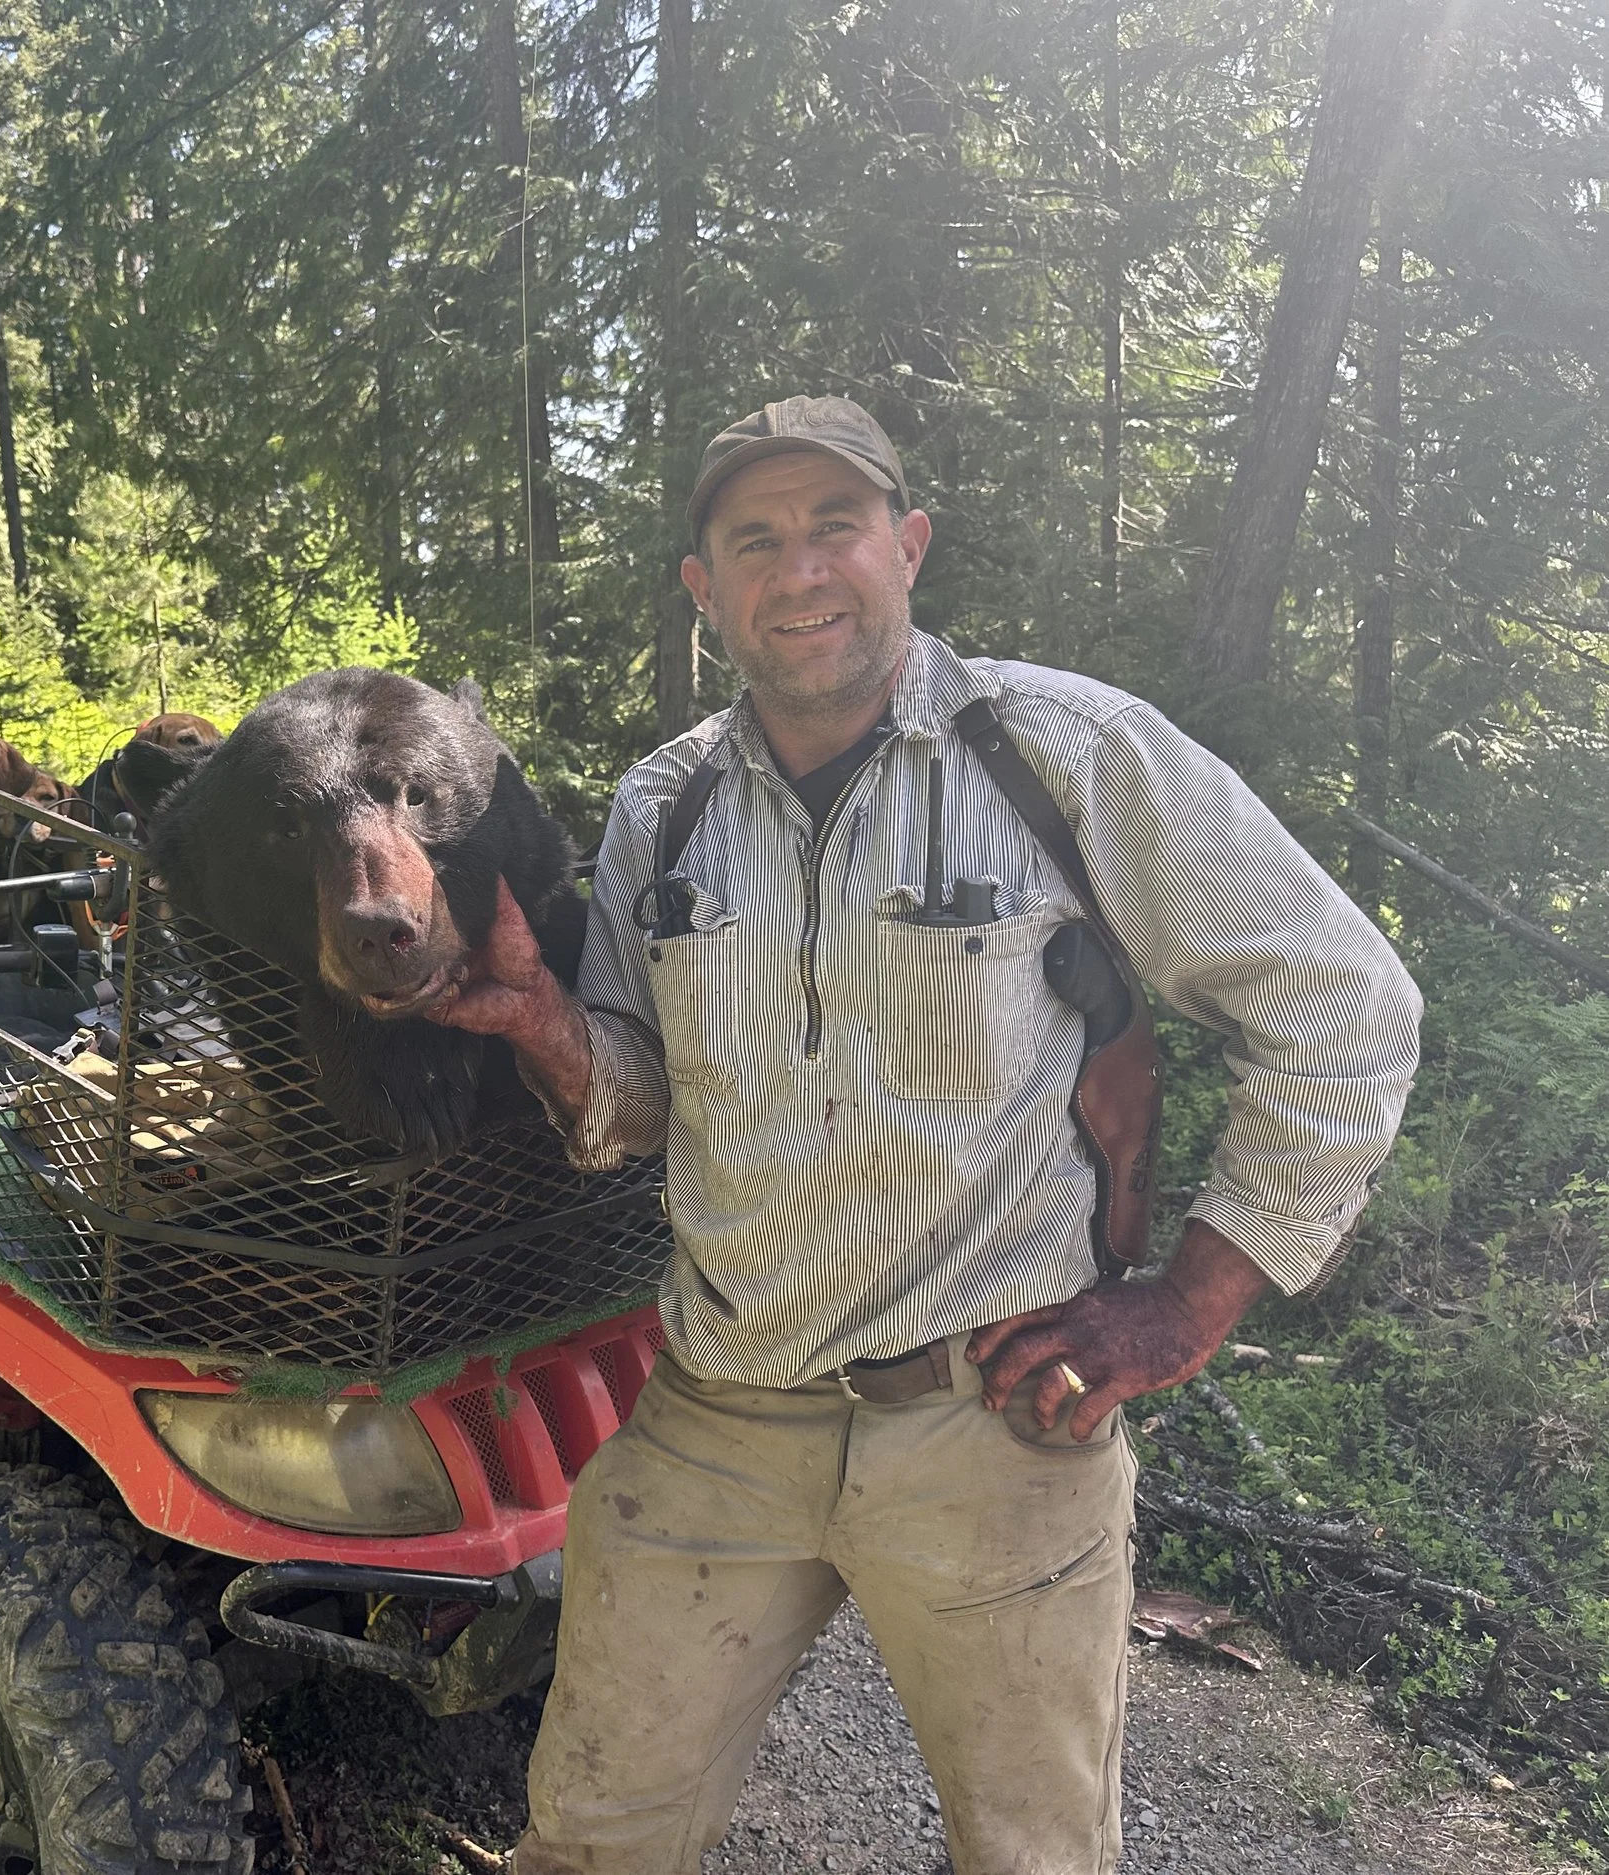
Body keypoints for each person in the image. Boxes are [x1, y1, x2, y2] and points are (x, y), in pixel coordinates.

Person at [425, 396, 1421, 1874]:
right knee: (592, 1836)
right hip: (718, 1415)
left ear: (909, 546)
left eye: (836, 525)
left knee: (1030, 1857)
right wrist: (539, 1025)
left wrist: (1193, 1303)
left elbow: (1347, 1000)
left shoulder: (1066, 758)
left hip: (997, 1424)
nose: (802, 568)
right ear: (705, 589)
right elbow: (640, 1102)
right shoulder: (662, 808)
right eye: (755, 539)